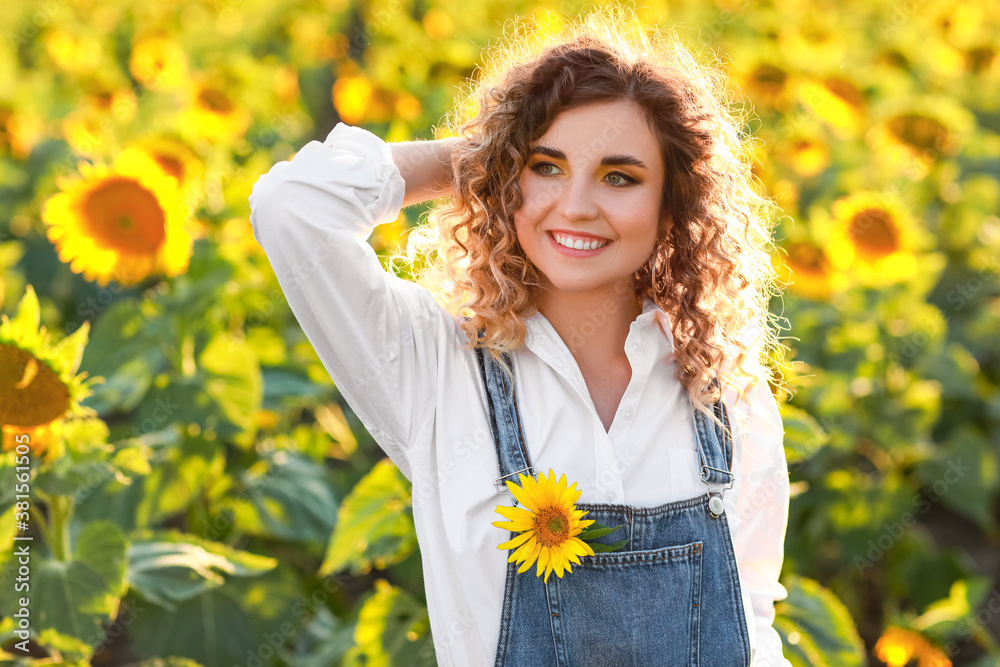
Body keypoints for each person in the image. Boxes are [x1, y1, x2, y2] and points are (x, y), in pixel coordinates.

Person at [249, 6, 792, 666]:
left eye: (619, 176)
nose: (577, 205)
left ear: (672, 202)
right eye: (547, 166)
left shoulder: (722, 390)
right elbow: (291, 208)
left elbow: (752, 618)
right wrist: (479, 156)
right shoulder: (437, 369)